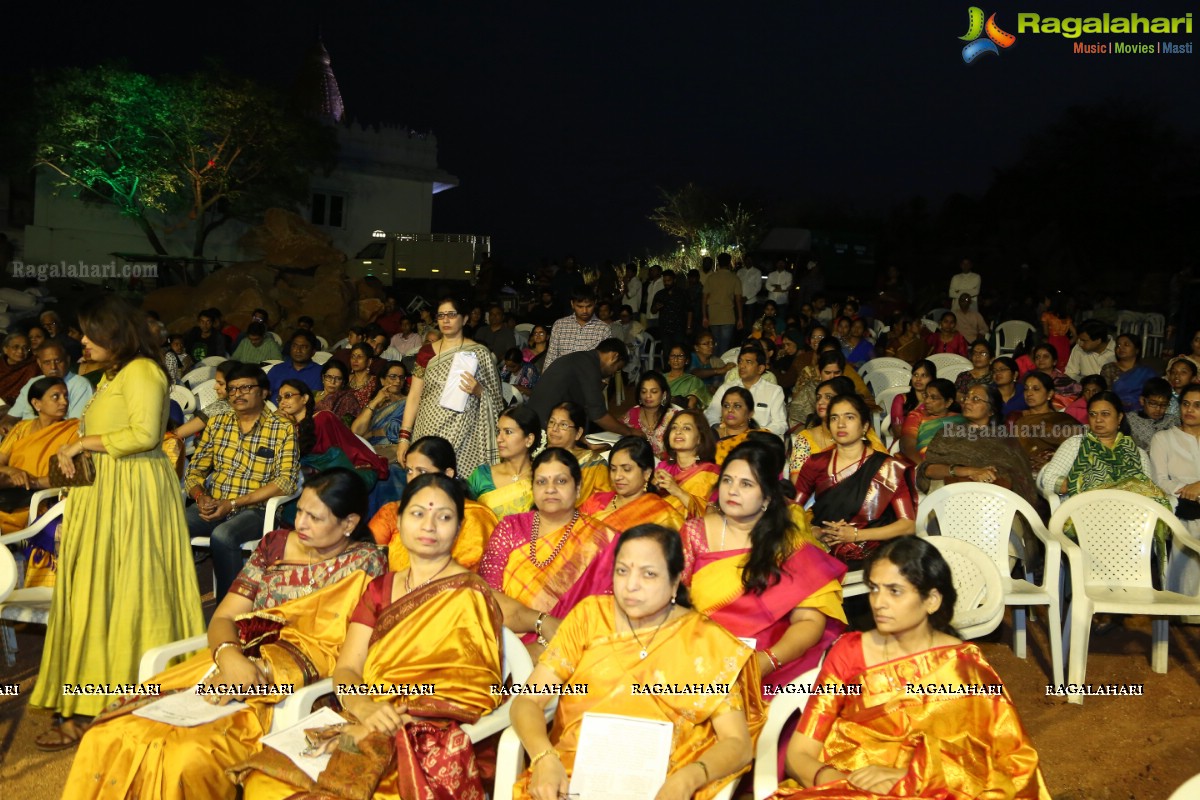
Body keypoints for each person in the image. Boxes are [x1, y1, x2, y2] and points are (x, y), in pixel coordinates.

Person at [64, 469, 387, 799]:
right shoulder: (274, 545)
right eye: (300, 510)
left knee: (185, 755)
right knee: (110, 733)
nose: (301, 523)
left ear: (348, 523)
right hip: (226, 661)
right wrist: (230, 657)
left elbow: (338, 648)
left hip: (284, 684)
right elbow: (224, 617)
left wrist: (261, 671)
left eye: (315, 517)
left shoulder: (364, 565)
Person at [232, 473, 506, 798]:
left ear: (459, 528)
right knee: (266, 783)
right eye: (418, 514)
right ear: (400, 520)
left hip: (431, 733)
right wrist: (362, 705)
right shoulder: (380, 589)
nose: (429, 526)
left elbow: (471, 689)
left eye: (443, 517)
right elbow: (347, 668)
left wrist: (389, 718)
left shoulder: (470, 594)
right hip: (366, 712)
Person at [32, 296, 204, 750]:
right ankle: (90, 695)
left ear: (115, 336)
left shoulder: (145, 372)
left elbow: (146, 435)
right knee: (94, 592)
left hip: (134, 495)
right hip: (104, 494)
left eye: (91, 334)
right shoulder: (109, 376)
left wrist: (79, 444)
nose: (83, 342)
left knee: (130, 592)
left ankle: (126, 697)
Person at [771, 537, 1051, 799]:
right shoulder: (848, 652)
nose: (879, 602)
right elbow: (799, 754)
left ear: (931, 600)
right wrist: (837, 781)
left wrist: (911, 777)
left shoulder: (965, 667)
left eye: (895, 591)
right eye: (874, 588)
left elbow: (1010, 761)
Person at [511, 524, 765, 800]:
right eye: (623, 570)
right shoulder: (589, 617)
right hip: (573, 776)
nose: (631, 585)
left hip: (666, 780)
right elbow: (527, 701)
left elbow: (736, 742)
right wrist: (544, 758)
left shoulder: (704, 640)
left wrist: (689, 778)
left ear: (675, 580)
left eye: (649, 574)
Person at [682, 440, 847, 696]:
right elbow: (673, 603)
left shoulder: (789, 546)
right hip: (702, 656)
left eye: (745, 484)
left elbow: (809, 620)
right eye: (727, 480)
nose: (732, 491)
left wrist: (766, 662)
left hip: (774, 662)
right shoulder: (694, 533)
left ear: (767, 498)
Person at [479, 447, 619, 654]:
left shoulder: (605, 540)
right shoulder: (510, 527)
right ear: (532, 488)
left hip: (571, 649)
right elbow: (487, 595)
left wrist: (544, 647)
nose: (550, 489)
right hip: (502, 643)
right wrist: (539, 624)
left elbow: (605, 611)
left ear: (578, 488)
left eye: (561, 481)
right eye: (542, 482)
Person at [184, 363, 300, 601]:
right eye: (233, 389)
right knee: (171, 525)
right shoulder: (218, 424)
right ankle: (178, 601)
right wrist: (200, 497)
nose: (238, 394)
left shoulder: (282, 428)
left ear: (264, 392)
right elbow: (194, 471)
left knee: (223, 536)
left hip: (255, 509)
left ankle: (230, 608)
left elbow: (285, 482)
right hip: (214, 503)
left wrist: (234, 503)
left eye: (246, 388)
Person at [1037, 390, 1173, 565]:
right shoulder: (1076, 444)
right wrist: (1090, 484)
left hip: (1127, 521)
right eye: (1093, 415)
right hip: (1081, 518)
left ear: (1119, 418)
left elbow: (1145, 489)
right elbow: (1048, 480)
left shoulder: (1137, 453)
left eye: (1105, 414)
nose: (1098, 420)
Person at [795, 394, 916, 567]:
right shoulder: (816, 463)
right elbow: (792, 510)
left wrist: (856, 535)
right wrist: (815, 531)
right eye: (834, 418)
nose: (841, 424)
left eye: (849, 417)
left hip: (875, 552)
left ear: (865, 426)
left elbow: (907, 526)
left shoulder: (888, 467)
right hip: (824, 549)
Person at [395, 296, 504, 478]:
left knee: (459, 487)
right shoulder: (426, 352)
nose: (445, 320)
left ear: (465, 318)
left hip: (466, 434)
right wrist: (404, 438)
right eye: (441, 315)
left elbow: (497, 402)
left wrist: (479, 391)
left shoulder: (479, 353)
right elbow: (414, 395)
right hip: (427, 429)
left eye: (452, 315)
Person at [372, 436, 496, 572]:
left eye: (422, 472)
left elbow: (468, 574)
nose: (413, 479)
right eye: (409, 471)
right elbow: (366, 559)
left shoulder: (473, 516)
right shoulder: (392, 512)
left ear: (448, 474)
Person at [918, 383, 1038, 508]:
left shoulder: (1005, 440)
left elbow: (1019, 478)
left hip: (995, 505)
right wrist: (968, 471)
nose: (967, 402)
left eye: (975, 399)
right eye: (966, 398)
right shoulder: (947, 432)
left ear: (991, 410)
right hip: (949, 501)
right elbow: (928, 470)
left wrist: (992, 475)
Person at [275, 379, 388, 490]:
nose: (282, 402)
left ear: (304, 398)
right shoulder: (288, 427)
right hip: (313, 479)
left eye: (288, 396)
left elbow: (331, 457)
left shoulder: (322, 418)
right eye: (280, 398)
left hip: (349, 473)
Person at [0, 377, 79, 533]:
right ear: (36, 404)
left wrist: (29, 481)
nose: (64, 402)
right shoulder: (22, 428)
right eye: (56, 397)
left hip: (39, 500)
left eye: (66, 396)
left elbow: (68, 476)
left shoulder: (73, 430)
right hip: (7, 494)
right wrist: (12, 472)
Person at [527, 337, 641, 440]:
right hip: (544, 428)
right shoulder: (589, 367)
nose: (612, 373)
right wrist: (629, 432)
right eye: (617, 368)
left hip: (539, 420)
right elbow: (598, 415)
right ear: (614, 356)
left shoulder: (582, 359)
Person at [1150, 384, 1200, 598]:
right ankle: (1185, 604)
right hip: (1180, 503)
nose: (1190, 409)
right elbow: (1158, 480)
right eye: (1186, 404)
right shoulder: (1163, 438)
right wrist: (1187, 490)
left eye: (1197, 405)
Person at [580, 436, 683, 532]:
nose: (617, 476)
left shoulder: (660, 513)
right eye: (613, 469)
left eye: (627, 469)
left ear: (647, 473)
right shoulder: (595, 501)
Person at [0, 341, 93, 431]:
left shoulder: (80, 385)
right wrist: (6, 425)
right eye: (47, 363)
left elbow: (74, 426)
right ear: (40, 364)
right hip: (24, 436)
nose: (53, 367)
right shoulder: (33, 382)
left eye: (57, 361)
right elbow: (12, 416)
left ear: (67, 360)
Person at [469, 405, 540, 518]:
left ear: (529, 439)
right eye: (499, 431)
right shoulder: (482, 476)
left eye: (508, 432)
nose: (499, 439)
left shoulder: (541, 478)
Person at [705, 344, 788, 437]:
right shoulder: (726, 388)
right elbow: (711, 415)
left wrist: (756, 434)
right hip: (728, 438)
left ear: (760, 368)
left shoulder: (774, 391)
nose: (742, 366)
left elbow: (780, 424)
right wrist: (721, 430)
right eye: (740, 361)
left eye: (748, 362)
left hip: (759, 442)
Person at [1008, 371, 1082, 471]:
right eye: (1026, 389)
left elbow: (1076, 447)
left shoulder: (1062, 419)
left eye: (1036, 389)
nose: (1029, 393)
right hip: (1023, 469)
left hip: (1058, 468)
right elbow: (1010, 450)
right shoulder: (1016, 417)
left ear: (1050, 394)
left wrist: (1052, 461)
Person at [653, 409, 720, 518]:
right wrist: (653, 488)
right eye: (674, 427)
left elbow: (712, 516)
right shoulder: (663, 468)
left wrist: (678, 492)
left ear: (699, 438)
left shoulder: (711, 474)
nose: (678, 431)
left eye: (686, 428)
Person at [544, 401, 613, 502]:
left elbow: (605, 502)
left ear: (578, 433)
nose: (554, 429)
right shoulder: (537, 458)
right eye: (551, 422)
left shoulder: (594, 463)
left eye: (563, 425)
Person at [543, 286, 611, 371]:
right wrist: (545, 380)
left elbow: (606, 363)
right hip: (562, 379)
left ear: (595, 303)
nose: (585, 311)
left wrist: (602, 382)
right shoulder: (559, 325)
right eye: (580, 306)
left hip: (589, 380)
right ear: (572, 304)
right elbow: (551, 357)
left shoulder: (604, 329)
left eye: (589, 306)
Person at [898, 377, 964, 465]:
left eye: (933, 398)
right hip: (920, 463)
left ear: (948, 402)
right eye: (926, 396)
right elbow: (907, 445)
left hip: (952, 464)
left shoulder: (960, 419)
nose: (927, 401)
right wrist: (923, 467)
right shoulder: (916, 415)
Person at [350, 360, 407, 453]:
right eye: (393, 377)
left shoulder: (407, 402)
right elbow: (356, 431)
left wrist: (372, 434)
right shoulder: (374, 404)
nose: (398, 381)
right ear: (382, 380)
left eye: (401, 377)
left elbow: (401, 430)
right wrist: (375, 401)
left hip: (395, 449)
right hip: (370, 448)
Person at [621, 370, 676, 459]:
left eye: (654, 391)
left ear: (664, 394)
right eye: (643, 392)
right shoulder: (632, 414)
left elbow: (683, 447)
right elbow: (617, 434)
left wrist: (659, 457)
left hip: (667, 468)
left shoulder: (673, 417)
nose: (648, 396)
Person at [1100, 332, 1159, 412]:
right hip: (1115, 411)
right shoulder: (1109, 368)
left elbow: (1155, 394)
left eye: (1126, 345)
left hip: (1143, 412)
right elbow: (1105, 395)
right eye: (1118, 345)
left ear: (1137, 350)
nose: (1121, 348)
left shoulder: (1146, 371)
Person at [711, 386, 765, 465]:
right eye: (726, 406)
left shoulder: (759, 439)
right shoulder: (710, 436)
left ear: (750, 413)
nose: (730, 410)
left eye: (737, 406)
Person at [704, 251, 745, 353]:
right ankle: (722, 366)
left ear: (718, 263)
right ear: (729, 263)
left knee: (715, 345)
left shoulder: (711, 278)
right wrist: (740, 318)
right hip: (728, 316)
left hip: (713, 314)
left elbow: (704, 299)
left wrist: (704, 316)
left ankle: (715, 366)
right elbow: (738, 300)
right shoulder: (734, 278)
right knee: (724, 347)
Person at [889, 359, 935, 440]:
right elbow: (897, 432)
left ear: (932, 378)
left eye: (923, 375)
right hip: (903, 445)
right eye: (915, 375)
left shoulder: (936, 402)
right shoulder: (901, 399)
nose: (918, 379)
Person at [266, 329, 322, 397]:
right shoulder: (277, 369)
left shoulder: (320, 372)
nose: (298, 350)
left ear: (313, 351)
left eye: (304, 347)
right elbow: (264, 393)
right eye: (294, 346)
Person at [1126, 377, 1178, 450]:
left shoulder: (1172, 421)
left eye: (1163, 405)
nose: (1158, 409)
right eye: (1153, 404)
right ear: (1142, 400)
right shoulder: (1130, 419)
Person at [312, 358, 358, 425]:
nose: (332, 382)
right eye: (329, 377)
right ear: (323, 378)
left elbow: (346, 427)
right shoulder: (312, 394)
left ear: (343, 382)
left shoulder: (348, 400)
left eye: (338, 378)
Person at [665, 343, 711, 408]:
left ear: (686, 360)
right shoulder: (660, 378)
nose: (676, 359)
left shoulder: (693, 381)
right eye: (672, 356)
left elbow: (698, 403)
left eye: (680, 356)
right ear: (668, 360)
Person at [0, 332, 39, 405]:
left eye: (25, 348)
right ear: (5, 349)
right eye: (15, 347)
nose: (20, 351)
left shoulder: (34, 364)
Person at [955, 338, 994, 403]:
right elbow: (956, 396)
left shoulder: (994, 377)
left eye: (983, 353)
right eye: (974, 353)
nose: (977, 356)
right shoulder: (963, 376)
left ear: (991, 359)